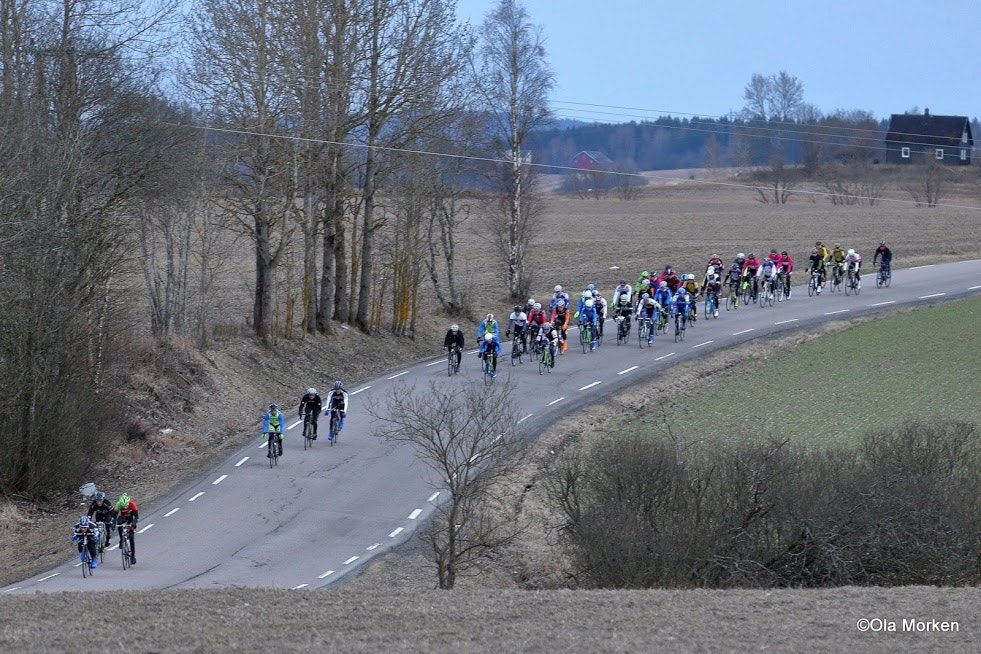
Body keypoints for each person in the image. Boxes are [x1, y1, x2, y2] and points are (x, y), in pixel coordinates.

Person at [114, 493, 138, 565]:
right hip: (123, 517)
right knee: (119, 523)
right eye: (123, 506)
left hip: (131, 519)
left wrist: (133, 523)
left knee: (131, 538)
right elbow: (114, 515)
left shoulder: (132, 504)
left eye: (126, 506)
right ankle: (121, 539)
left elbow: (136, 517)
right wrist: (113, 523)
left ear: (128, 503)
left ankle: (133, 556)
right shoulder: (118, 504)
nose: (124, 507)